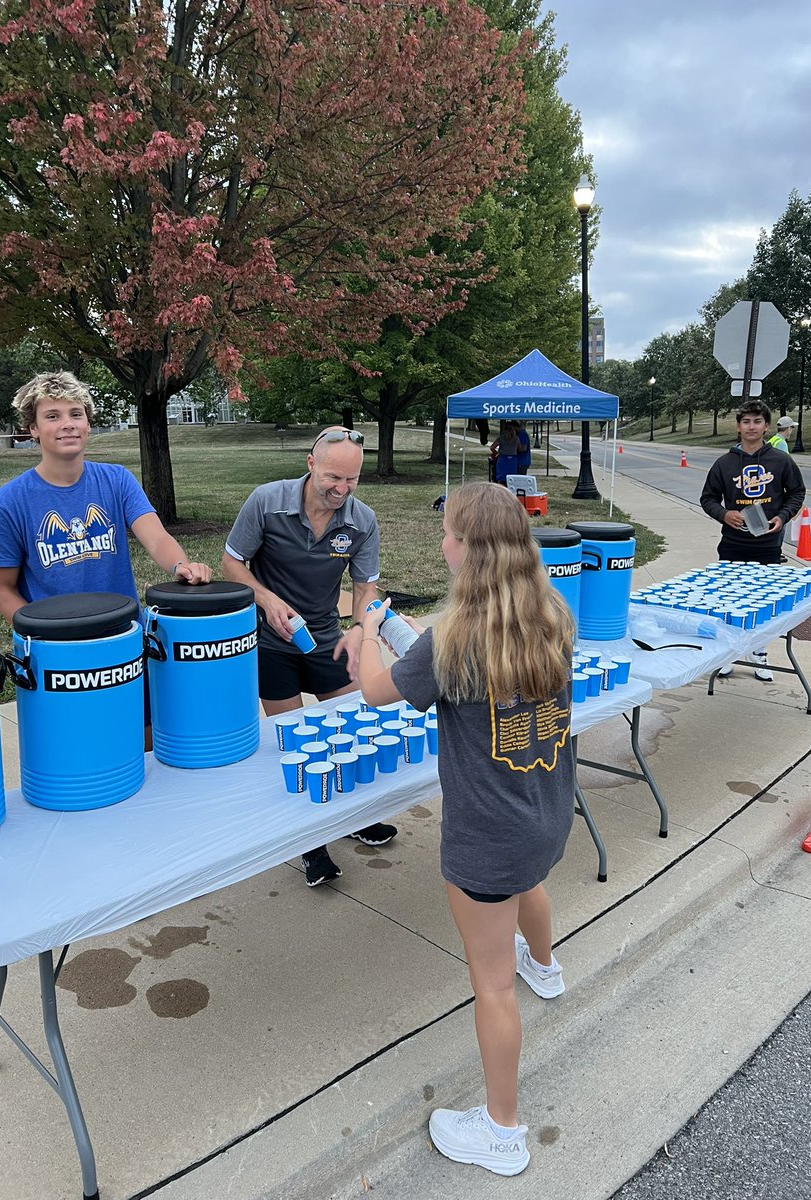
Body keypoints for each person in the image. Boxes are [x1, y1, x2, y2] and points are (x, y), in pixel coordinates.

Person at [358, 482, 575, 1177]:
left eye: (448, 533)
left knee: (493, 986)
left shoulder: (453, 638)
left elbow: (378, 690)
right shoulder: (551, 614)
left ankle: (502, 1132)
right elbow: (441, 668)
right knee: (529, 886)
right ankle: (546, 967)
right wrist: (403, 636)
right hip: (544, 814)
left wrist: (366, 634)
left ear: (468, 550)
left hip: (486, 837)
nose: (443, 542)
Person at [221, 426, 398, 886]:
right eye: (333, 478)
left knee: (355, 726)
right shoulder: (266, 501)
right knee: (299, 744)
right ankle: (311, 845)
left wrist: (359, 629)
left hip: (326, 637)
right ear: (310, 464)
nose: (342, 489)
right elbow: (231, 563)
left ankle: (354, 818)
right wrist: (265, 599)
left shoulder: (362, 520)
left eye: (352, 480)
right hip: (270, 642)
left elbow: (365, 588)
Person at [0, 371, 211, 622]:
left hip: (122, 633)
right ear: (33, 429)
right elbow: (1, 590)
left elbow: (157, 539)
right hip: (55, 638)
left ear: (88, 424)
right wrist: (42, 632)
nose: (68, 424)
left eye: (76, 414)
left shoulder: (117, 480)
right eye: (52, 416)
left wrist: (181, 566)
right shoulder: (6, 503)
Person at [699, 400, 806, 681]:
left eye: (757, 421)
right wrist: (724, 514)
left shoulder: (781, 460)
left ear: (766, 426)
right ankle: (729, 653)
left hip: (768, 545)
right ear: (738, 426)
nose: (751, 427)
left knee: (763, 602)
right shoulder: (724, 464)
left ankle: (758, 651)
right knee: (729, 600)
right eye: (746, 421)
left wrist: (782, 516)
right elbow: (708, 498)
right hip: (733, 543)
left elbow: (797, 493)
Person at [489, 420, 522, 486]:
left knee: (501, 478)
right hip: (513, 460)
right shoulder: (516, 439)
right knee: (512, 479)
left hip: (503, 458)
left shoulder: (501, 437)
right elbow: (520, 449)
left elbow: (492, 447)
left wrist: (497, 453)